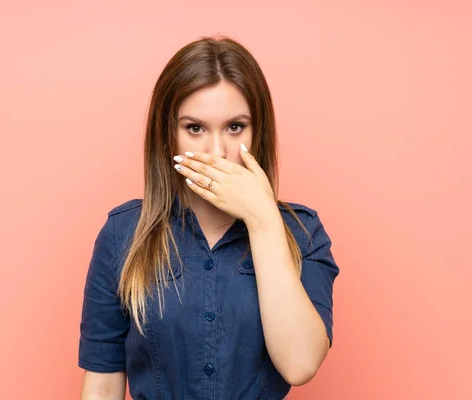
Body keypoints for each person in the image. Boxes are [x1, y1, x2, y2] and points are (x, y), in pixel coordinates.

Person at [78, 36, 340, 400]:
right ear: (168, 136)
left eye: (235, 127)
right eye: (195, 128)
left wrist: (263, 220)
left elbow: (299, 364)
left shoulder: (303, 234)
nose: (216, 152)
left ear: (258, 131)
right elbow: (102, 385)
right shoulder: (123, 234)